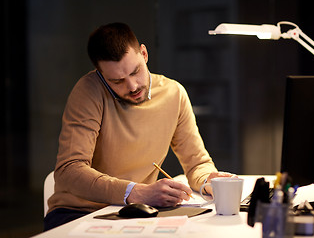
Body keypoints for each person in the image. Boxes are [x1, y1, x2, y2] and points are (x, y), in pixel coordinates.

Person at [44, 22, 235, 231]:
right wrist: (137, 192)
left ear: (144, 54)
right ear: (100, 74)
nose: (132, 86)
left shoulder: (174, 94)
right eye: (117, 81)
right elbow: (69, 170)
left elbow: (197, 163)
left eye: (135, 72)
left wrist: (209, 180)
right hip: (78, 213)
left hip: (135, 214)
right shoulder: (89, 92)